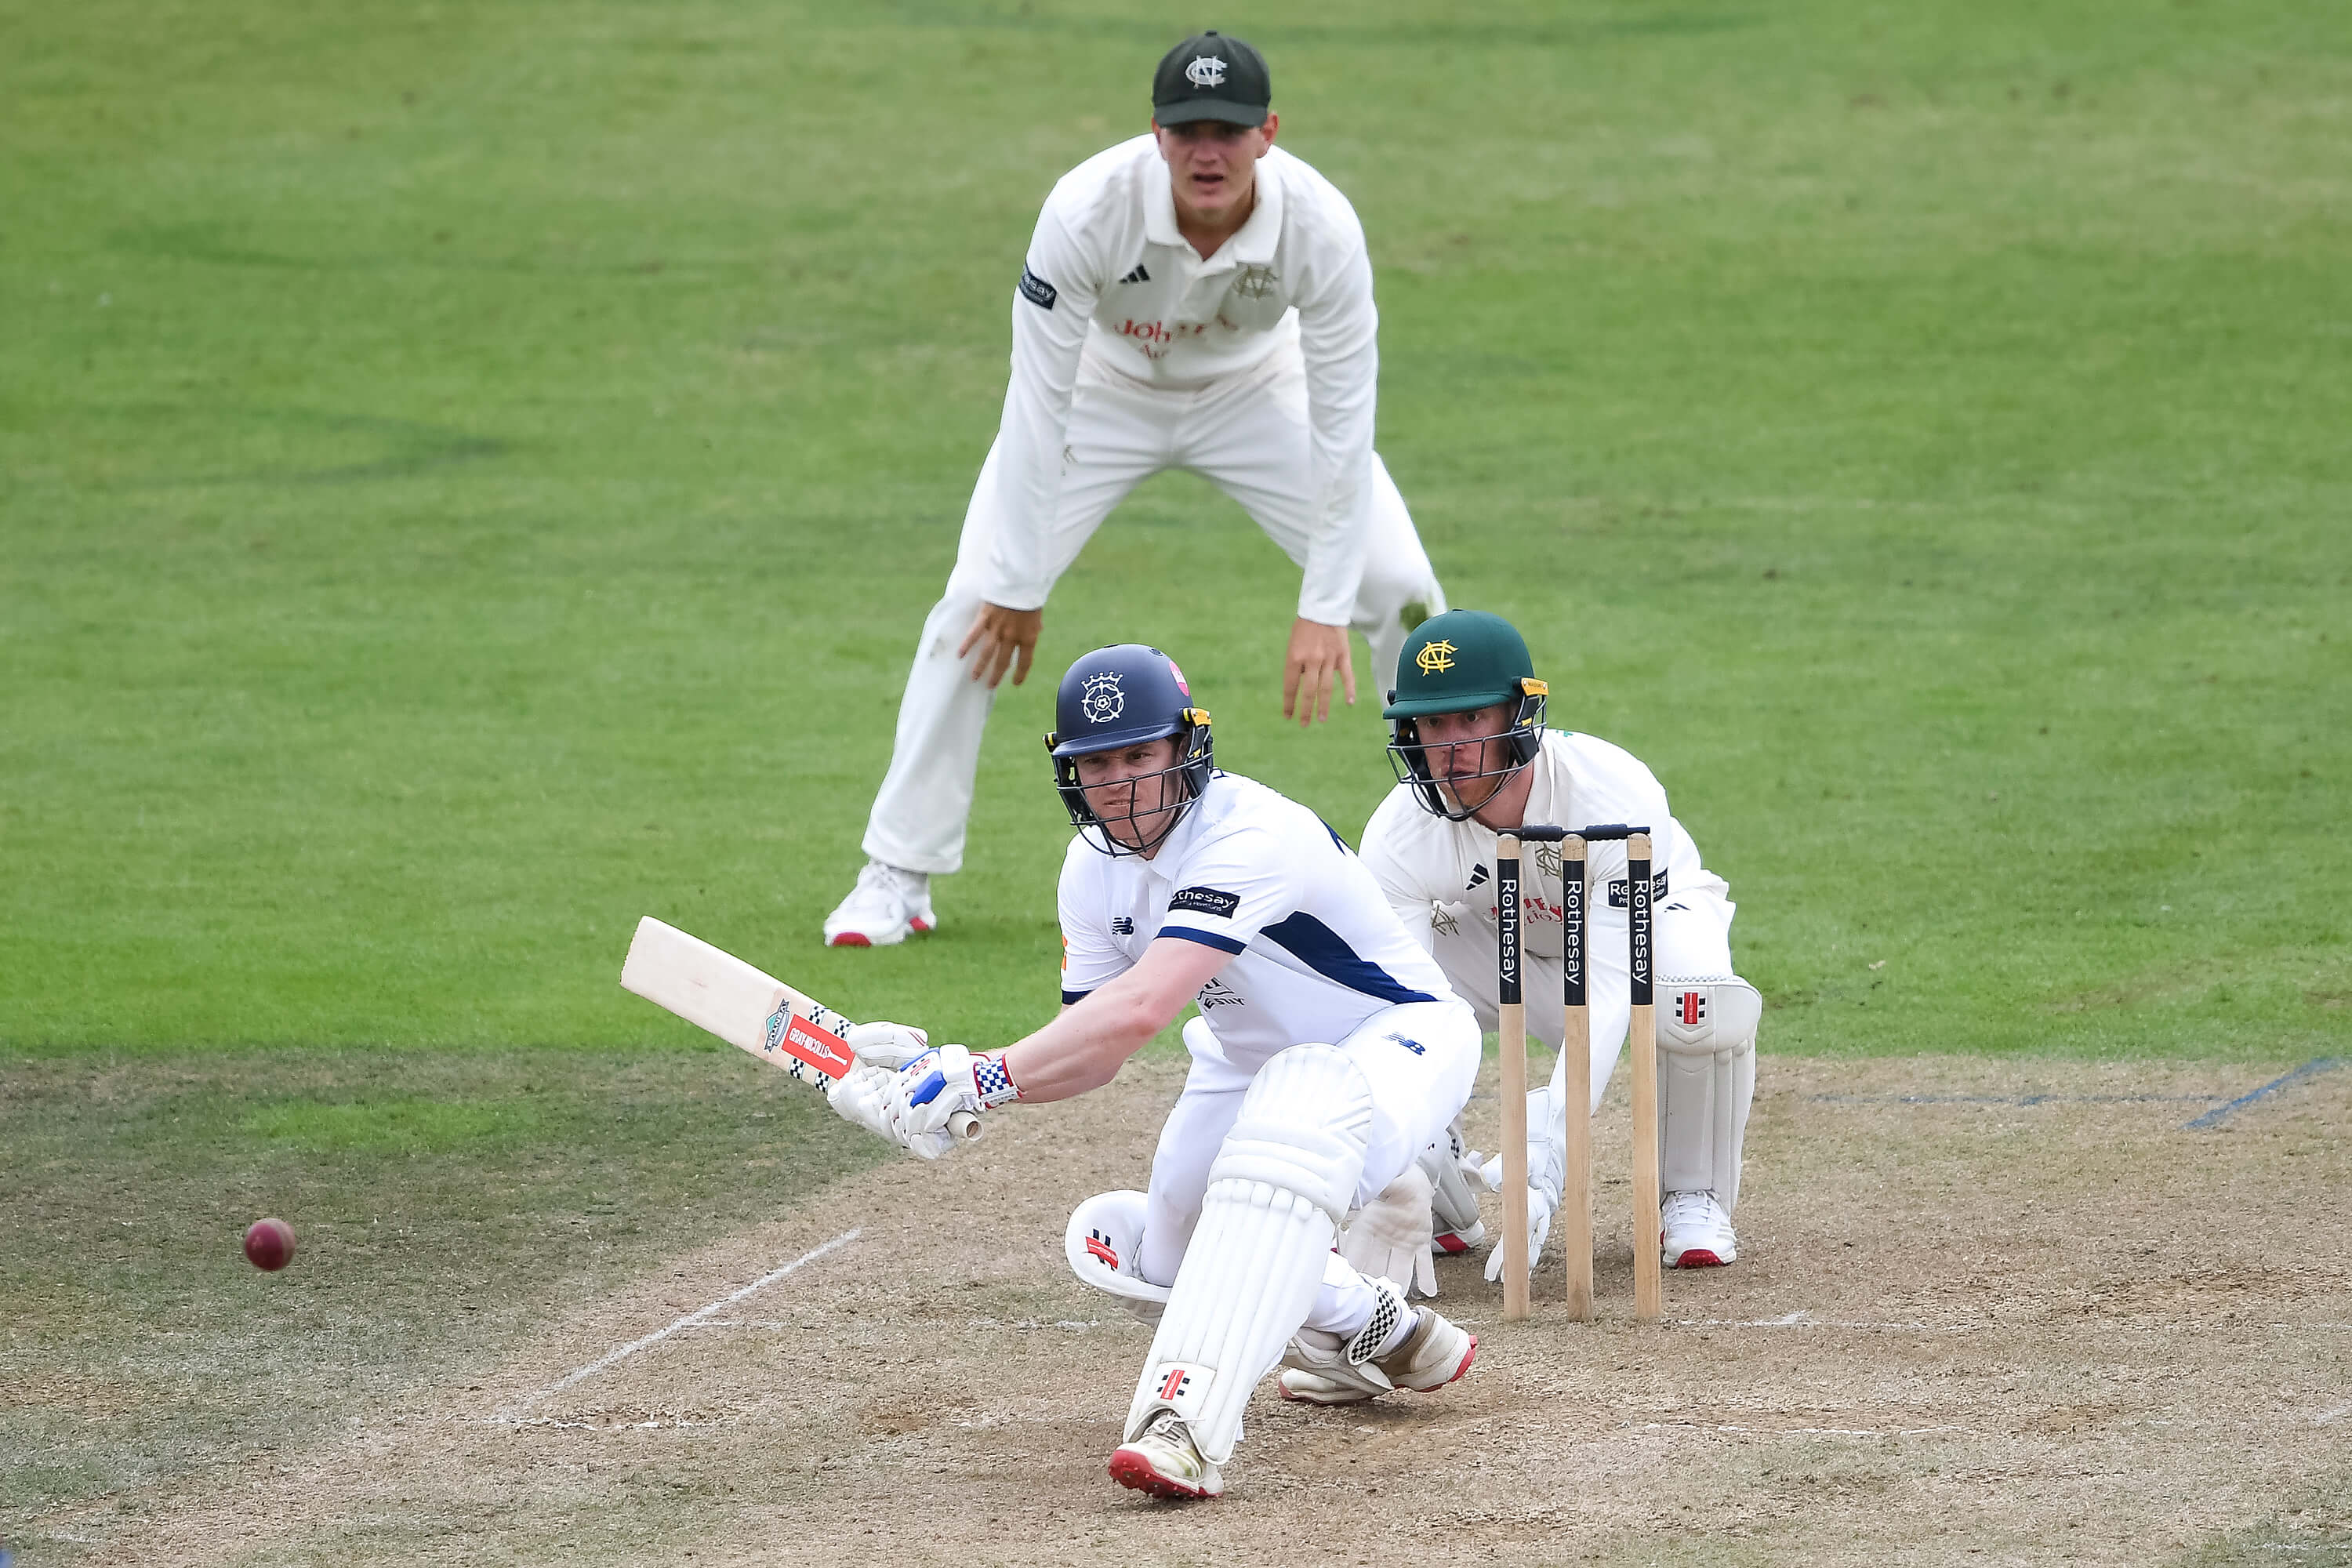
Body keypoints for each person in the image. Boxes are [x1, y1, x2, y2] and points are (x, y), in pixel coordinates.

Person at [822, 30, 1446, 948]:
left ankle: (1436, 850)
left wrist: (1325, 602)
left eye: (1228, 131)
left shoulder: (1323, 226)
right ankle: (897, 875)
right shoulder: (1085, 209)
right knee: (972, 605)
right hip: (1100, 390)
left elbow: (1347, 417)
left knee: (1401, 591)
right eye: (1187, 129)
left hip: (1256, 389)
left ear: (1268, 133)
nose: (1207, 150)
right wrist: (1019, 583)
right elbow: (1035, 401)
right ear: (1154, 135)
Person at [827, 644, 1479, 1500]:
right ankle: (1370, 1324)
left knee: (1281, 1159)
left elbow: (1142, 1006)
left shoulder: (1250, 832)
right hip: (1244, 1060)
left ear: (1186, 748)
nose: (1122, 783)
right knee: (1162, 1260)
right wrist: (931, 1074)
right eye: (1097, 763)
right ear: (1070, 773)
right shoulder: (1089, 872)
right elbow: (1091, 1047)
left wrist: (981, 1075)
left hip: (1395, 1038)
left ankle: (1188, 1428)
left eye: (1140, 755)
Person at [1356, 610, 1762, 1282]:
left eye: (1471, 719)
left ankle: (1693, 1193)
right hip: (1505, 944)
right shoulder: (1400, 835)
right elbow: (1401, 1004)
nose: (1450, 746)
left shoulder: (1611, 792)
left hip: (1651, 936)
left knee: (1698, 997)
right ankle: (1438, 1180)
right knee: (1394, 1001)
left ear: (1519, 714)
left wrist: (1552, 1135)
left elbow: (1605, 988)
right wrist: (1402, 1146)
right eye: (1433, 724)